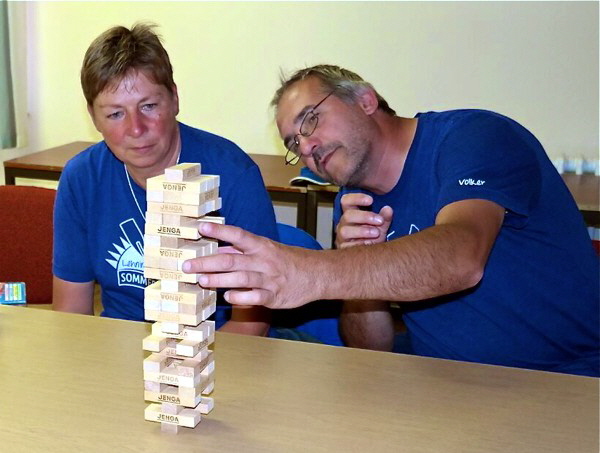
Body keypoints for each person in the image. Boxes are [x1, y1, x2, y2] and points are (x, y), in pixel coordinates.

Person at [183, 64, 600, 377]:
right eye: (294, 143)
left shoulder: (473, 137)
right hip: (444, 385)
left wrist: (310, 272)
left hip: (566, 377)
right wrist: (358, 268)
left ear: (365, 99)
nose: (306, 146)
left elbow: (461, 257)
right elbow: (371, 348)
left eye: (311, 119)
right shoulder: (354, 197)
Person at [52, 23, 278, 336]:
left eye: (149, 106)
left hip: (216, 351)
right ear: (94, 117)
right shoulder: (81, 179)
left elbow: (252, 320)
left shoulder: (234, 174)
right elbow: (70, 318)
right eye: (116, 113)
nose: (135, 128)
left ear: (174, 99)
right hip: (119, 349)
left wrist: (185, 373)